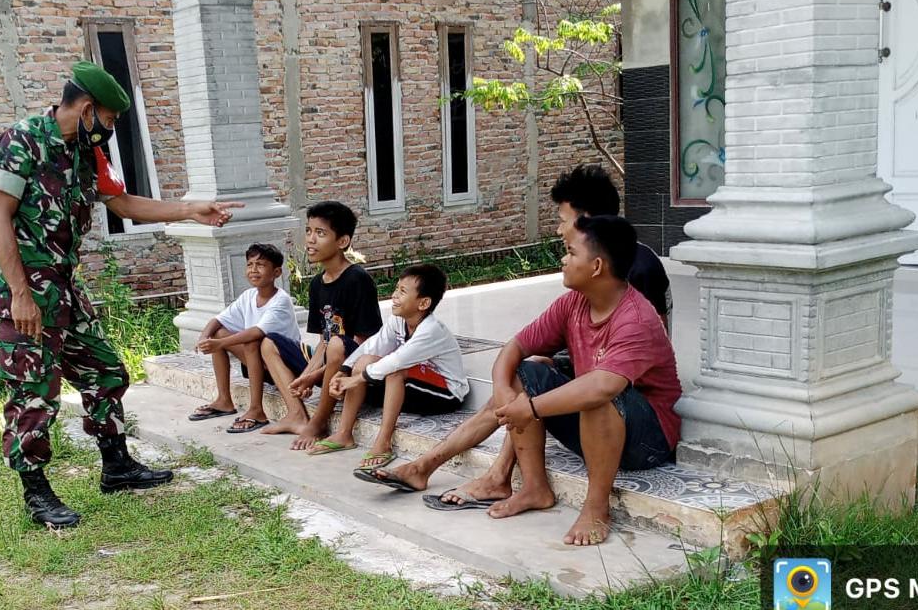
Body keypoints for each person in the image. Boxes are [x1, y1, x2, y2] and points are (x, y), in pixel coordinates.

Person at [0, 61, 242, 529]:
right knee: (33, 392)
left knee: (106, 370)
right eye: (108, 120)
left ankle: (116, 466)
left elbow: (123, 204)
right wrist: (20, 295)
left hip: (64, 286)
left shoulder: (88, 153)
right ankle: (36, 492)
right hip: (24, 290)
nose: (110, 129)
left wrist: (191, 210)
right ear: (86, 110)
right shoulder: (21, 140)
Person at [358, 216, 681, 547]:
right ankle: (533, 487)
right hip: (596, 430)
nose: (562, 259)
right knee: (526, 371)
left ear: (596, 266)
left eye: (570, 252)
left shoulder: (636, 318)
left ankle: (596, 508)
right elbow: (515, 347)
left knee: (594, 394)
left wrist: (530, 407)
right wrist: (505, 393)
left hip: (646, 440)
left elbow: (603, 387)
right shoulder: (574, 302)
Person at [261, 201, 383, 450]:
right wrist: (305, 377)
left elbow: (365, 342)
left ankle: (318, 422)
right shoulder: (317, 283)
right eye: (308, 231)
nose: (310, 240)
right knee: (269, 342)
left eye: (320, 233)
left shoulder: (357, 280)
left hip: (353, 368)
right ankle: (296, 413)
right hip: (329, 362)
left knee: (338, 344)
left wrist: (315, 374)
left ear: (342, 241)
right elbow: (324, 341)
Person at [326, 264, 468, 470]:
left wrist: (354, 380)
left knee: (395, 369)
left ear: (424, 303)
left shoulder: (431, 330)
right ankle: (344, 433)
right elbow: (372, 345)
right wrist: (344, 371)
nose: (394, 296)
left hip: (447, 393)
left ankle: (383, 443)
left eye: (402, 292)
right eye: (396, 289)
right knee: (365, 360)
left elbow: (396, 361)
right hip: (415, 385)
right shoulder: (398, 321)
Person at [187, 243, 304, 433]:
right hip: (258, 364)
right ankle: (224, 400)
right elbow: (218, 319)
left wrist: (219, 343)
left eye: (260, 265)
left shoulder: (281, 300)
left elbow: (257, 332)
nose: (253, 270)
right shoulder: (248, 296)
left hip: (285, 367)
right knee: (219, 332)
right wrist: (204, 337)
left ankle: (256, 410)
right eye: (250, 265)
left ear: (276, 272)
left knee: (251, 340)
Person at [549, 164, 671, 326]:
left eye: (564, 221)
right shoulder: (587, 262)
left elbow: (654, 343)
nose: (559, 230)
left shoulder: (640, 269)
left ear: (586, 220)